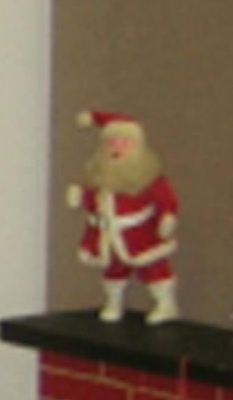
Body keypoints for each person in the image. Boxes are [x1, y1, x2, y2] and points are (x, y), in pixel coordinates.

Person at [64, 109, 177, 323]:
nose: (116, 147)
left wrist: (167, 217)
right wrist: (79, 196)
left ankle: (165, 303)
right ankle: (114, 302)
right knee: (113, 271)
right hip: (109, 235)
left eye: (123, 142)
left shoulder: (148, 177)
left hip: (141, 236)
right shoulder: (101, 177)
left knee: (153, 269)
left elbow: (165, 200)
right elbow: (93, 200)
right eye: (112, 142)